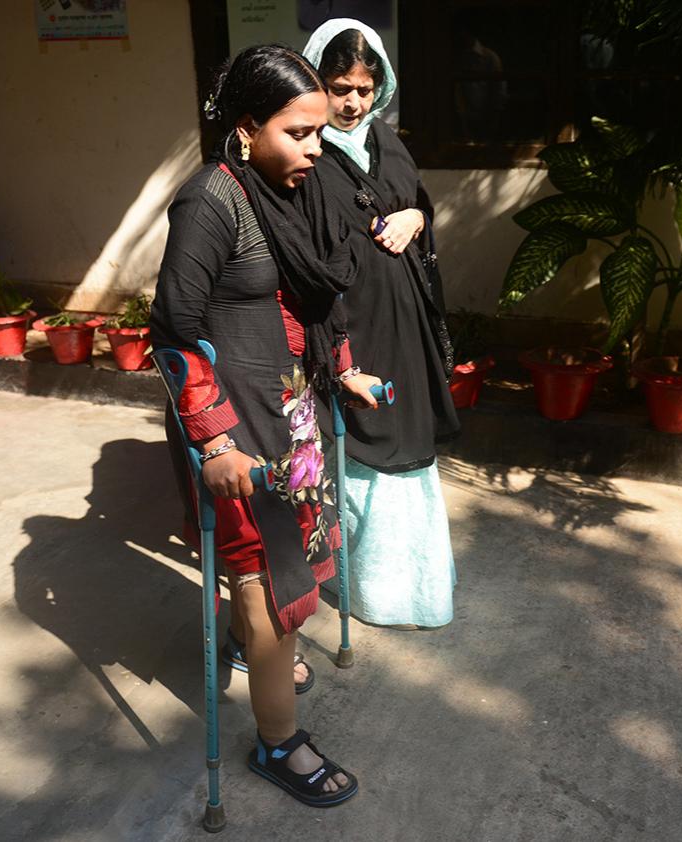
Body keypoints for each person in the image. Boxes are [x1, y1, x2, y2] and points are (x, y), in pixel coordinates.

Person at [149, 44, 380, 808]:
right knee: (264, 574)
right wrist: (211, 439)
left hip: (294, 406)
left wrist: (342, 368)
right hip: (240, 425)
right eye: (298, 132)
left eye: (320, 131)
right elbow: (175, 334)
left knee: (296, 553)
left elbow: (314, 297)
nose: (316, 147)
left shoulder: (291, 189)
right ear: (247, 127)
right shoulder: (209, 202)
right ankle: (279, 743)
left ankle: (259, 651)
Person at [302, 20, 460, 629]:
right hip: (348, 324)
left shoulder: (388, 143)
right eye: (340, 87)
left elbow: (417, 202)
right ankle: (362, 589)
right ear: (316, 82)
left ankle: (415, 589)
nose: (352, 103)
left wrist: (416, 222)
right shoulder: (306, 150)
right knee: (358, 440)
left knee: (408, 443)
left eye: (366, 89)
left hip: (403, 322)